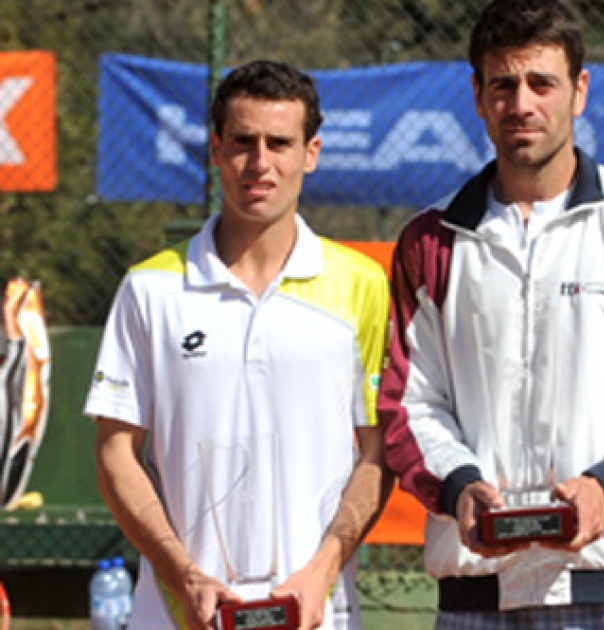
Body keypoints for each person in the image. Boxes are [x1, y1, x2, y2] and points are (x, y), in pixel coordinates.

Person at [378, 0, 604, 628]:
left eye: (542, 82)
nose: (522, 103)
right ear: (478, 96)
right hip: (478, 599)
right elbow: (409, 406)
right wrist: (460, 487)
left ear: (579, 91)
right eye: (503, 84)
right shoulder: (429, 240)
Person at [86, 59, 392, 630]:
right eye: (243, 142)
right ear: (215, 150)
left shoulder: (363, 285)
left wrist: (321, 571)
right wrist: (185, 576)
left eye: (280, 143)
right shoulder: (149, 288)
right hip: (180, 617)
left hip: (316, 616)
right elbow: (114, 454)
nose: (261, 163)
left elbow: (378, 455)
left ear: (312, 153)